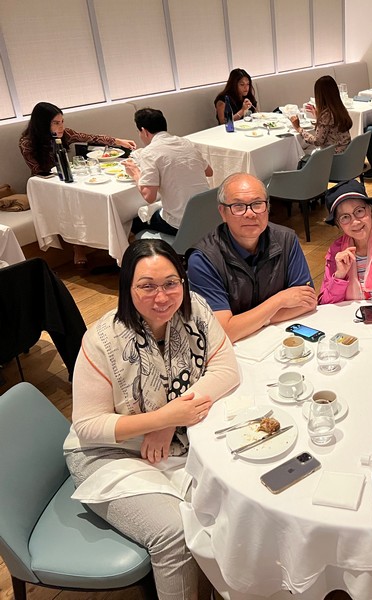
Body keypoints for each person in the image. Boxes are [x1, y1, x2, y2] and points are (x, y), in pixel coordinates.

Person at [64, 239, 240, 600]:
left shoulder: (195, 311)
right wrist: (162, 418)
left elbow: (226, 369)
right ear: (127, 288)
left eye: (171, 283)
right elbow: (88, 425)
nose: (161, 297)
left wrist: (167, 423)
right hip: (108, 454)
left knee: (232, 503)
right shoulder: (102, 340)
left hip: (177, 442)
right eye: (146, 286)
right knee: (174, 532)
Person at [186, 173, 317, 343]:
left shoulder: (286, 240)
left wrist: (248, 321)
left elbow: (308, 302)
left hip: (279, 341)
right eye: (238, 206)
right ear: (223, 212)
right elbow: (224, 332)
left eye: (257, 204)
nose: (250, 213)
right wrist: (279, 300)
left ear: (267, 207)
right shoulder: (204, 259)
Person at [18, 101, 137, 265]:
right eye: (56, 123)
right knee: (71, 201)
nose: (61, 127)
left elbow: (90, 137)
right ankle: (78, 248)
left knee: (83, 197)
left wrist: (118, 141)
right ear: (43, 123)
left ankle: (111, 241)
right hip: (44, 186)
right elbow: (37, 170)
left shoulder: (65, 134)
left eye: (62, 121)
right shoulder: (27, 143)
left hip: (67, 178)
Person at [123, 108, 213, 236]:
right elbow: (209, 172)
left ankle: (159, 248)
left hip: (180, 224)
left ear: (144, 131)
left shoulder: (149, 152)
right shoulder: (186, 143)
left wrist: (135, 173)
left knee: (133, 221)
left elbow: (149, 197)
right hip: (207, 216)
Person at [288, 75, 352, 155]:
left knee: (301, 154)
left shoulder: (326, 115)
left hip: (333, 157)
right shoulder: (340, 109)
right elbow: (330, 129)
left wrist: (299, 128)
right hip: (347, 154)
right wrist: (318, 117)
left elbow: (317, 141)